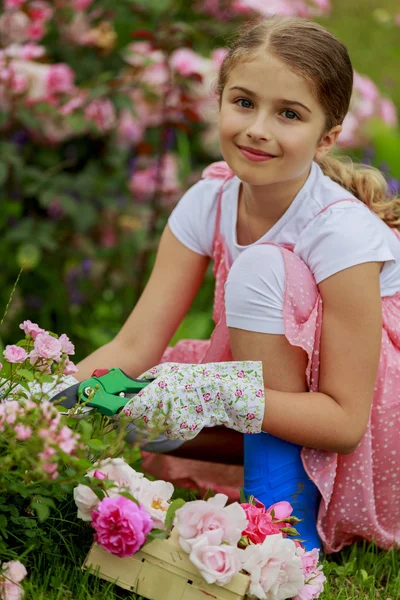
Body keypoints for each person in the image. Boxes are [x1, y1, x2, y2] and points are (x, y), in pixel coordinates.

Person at [75, 16, 400, 554]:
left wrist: (214, 393)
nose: (257, 128)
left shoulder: (339, 231)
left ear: (327, 137)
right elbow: (133, 347)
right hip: (279, 396)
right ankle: (272, 489)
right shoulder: (211, 200)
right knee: (129, 405)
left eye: (289, 114)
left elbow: (345, 421)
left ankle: (281, 521)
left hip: (372, 418)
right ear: (220, 100)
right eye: (244, 102)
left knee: (262, 269)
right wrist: (42, 400)